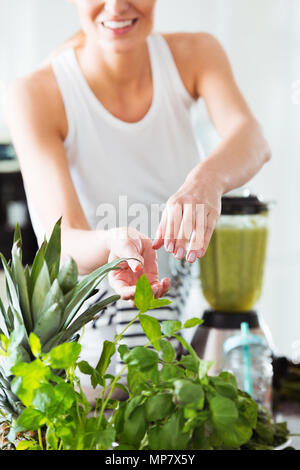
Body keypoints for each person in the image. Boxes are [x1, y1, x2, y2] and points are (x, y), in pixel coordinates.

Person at [5, 0, 271, 378]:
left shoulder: (196, 55)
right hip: (86, 371)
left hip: (172, 358)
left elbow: (253, 139)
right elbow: (59, 239)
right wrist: (113, 245)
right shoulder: (36, 93)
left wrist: (206, 179)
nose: (116, 6)